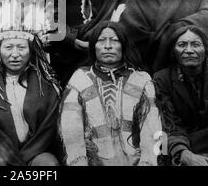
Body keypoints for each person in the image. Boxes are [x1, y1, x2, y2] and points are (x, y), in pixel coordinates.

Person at [0, 0, 61, 166]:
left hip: (35, 153)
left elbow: (47, 130)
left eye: (21, 47)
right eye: (8, 47)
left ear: (31, 50)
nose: (15, 54)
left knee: (48, 164)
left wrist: (24, 158)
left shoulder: (45, 83)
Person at [59, 21, 161, 166]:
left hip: (135, 160)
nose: (108, 46)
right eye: (101, 41)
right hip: (93, 161)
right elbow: (71, 130)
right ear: (94, 47)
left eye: (114, 40)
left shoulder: (141, 79)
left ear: (123, 45)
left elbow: (152, 126)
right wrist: (79, 162)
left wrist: (147, 162)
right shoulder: (80, 78)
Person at [154, 26, 208, 166]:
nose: (189, 50)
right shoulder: (162, 80)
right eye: (182, 45)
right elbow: (169, 125)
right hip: (181, 146)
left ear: (206, 50)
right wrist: (184, 154)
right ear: (173, 52)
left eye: (196, 44)